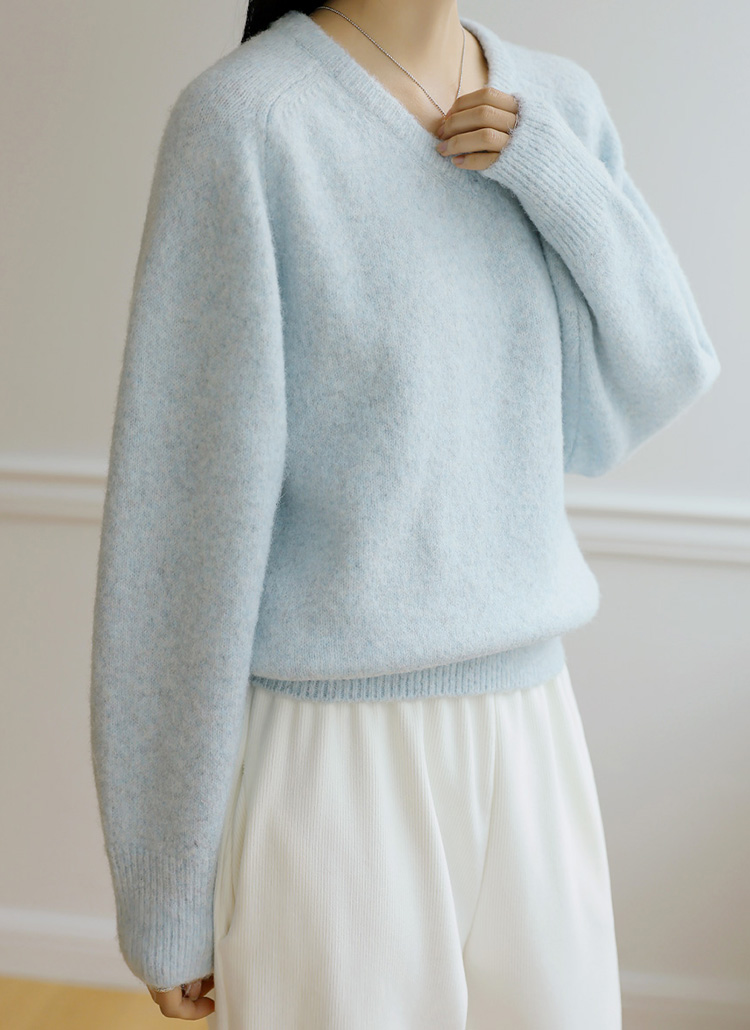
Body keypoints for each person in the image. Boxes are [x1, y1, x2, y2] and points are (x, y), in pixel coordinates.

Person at [89, 0, 721, 1026]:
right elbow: (182, 532)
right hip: (335, 756)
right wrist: (166, 883)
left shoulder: (556, 104)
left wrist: (556, 179)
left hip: (533, 728)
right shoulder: (250, 122)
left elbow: (656, 379)